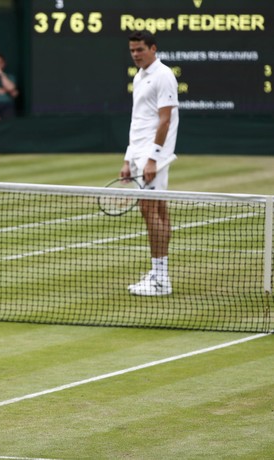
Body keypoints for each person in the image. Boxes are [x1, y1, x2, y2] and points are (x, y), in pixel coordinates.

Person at [123, 31, 179, 297]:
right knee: (158, 209)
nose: (135, 54)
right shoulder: (139, 76)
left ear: (153, 48)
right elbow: (139, 120)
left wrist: (153, 158)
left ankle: (160, 279)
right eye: (132, 50)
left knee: (149, 211)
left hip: (153, 155)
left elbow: (165, 120)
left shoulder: (164, 75)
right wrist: (127, 158)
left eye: (140, 49)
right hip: (139, 152)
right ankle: (159, 273)